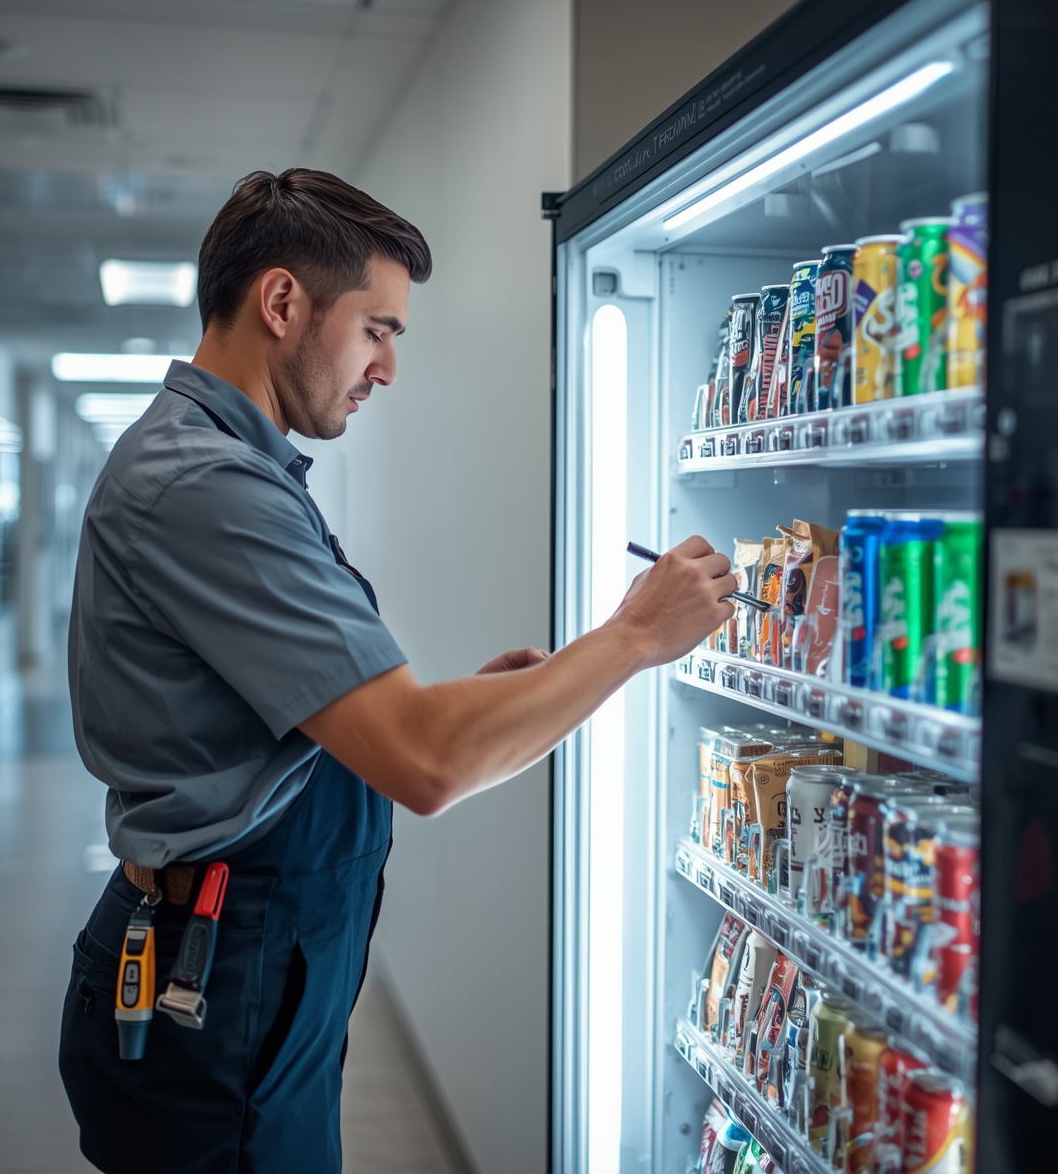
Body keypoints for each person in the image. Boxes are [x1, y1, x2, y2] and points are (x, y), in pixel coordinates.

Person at [58, 168, 736, 1174]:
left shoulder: (228, 465)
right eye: (378, 330)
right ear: (284, 302)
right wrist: (634, 637)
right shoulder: (207, 485)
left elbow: (322, 718)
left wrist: (480, 697)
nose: (386, 368)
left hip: (251, 962)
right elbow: (427, 763)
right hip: (220, 974)